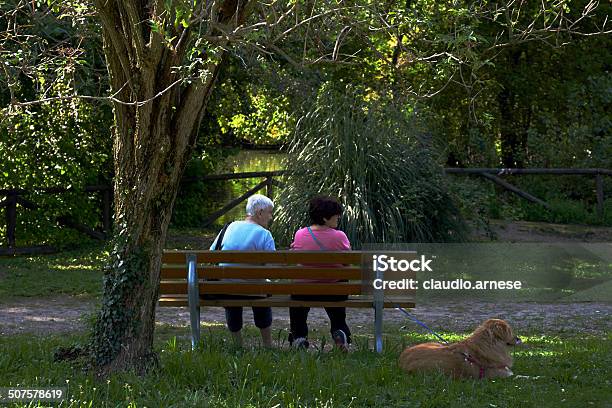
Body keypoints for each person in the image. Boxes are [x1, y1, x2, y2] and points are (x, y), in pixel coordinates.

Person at [209, 194, 275, 348]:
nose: (271, 217)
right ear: (260, 212)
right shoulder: (265, 234)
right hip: (255, 290)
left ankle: (237, 345)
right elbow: (272, 268)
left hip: (226, 288)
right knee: (261, 288)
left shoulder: (228, 227)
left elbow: (212, 253)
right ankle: (268, 344)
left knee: (233, 290)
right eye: (269, 213)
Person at [288, 196, 352, 351]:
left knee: (298, 306)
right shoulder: (339, 236)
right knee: (339, 292)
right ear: (325, 217)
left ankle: (299, 336)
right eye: (336, 214)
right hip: (333, 291)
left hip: (304, 291)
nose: (339, 217)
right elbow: (347, 263)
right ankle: (340, 331)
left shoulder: (300, 234)